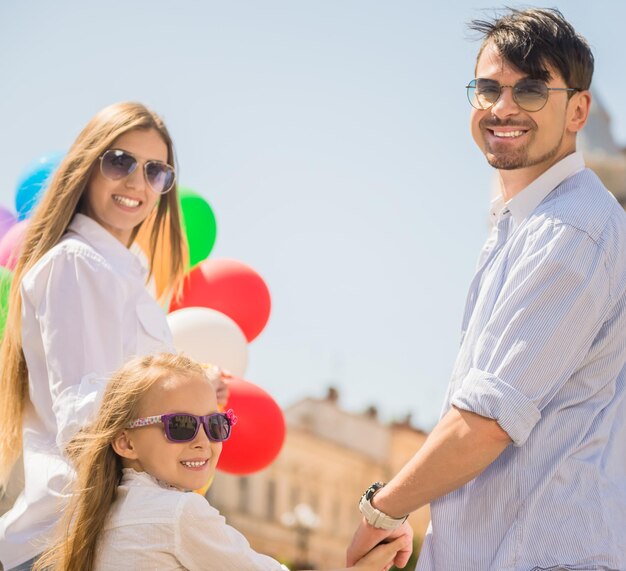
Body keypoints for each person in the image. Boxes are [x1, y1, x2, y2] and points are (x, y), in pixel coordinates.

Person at [347, 8, 626, 571]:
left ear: (577, 110)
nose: (503, 108)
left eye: (529, 90)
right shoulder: (522, 226)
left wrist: (384, 512)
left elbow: (489, 419)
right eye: (488, 88)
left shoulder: (570, 229)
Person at [0, 102, 191, 570]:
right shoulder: (76, 263)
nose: (136, 182)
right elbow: (83, 417)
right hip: (70, 541)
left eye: (156, 171)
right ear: (87, 166)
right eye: (120, 161)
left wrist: (192, 404)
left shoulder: (123, 272)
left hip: (106, 535)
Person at [33, 352, 410, 571]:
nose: (203, 440)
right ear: (125, 441)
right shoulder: (177, 513)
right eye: (180, 426)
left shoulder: (105, 508)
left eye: (216, 424)